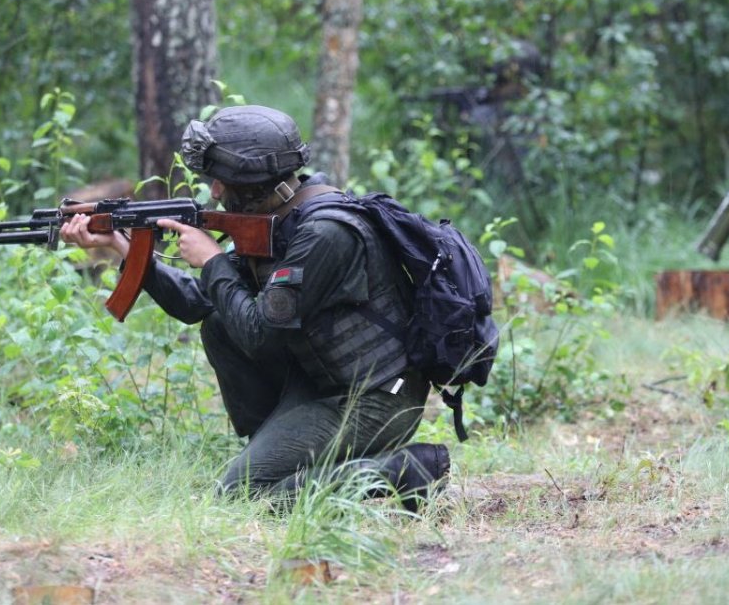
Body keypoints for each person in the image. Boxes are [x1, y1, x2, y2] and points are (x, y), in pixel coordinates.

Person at [59, 105, 450, 511]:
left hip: (375, 399)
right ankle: (275, 451)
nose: (212, 191)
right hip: (321, 384)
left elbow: (259, 335)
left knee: (240, 496)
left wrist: (213, 260)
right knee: (218, 322)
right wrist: (122, 247)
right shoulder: (280, 218)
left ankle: (402, 470)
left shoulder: (325, 233)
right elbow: (202, 304)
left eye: (220, 180)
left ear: (249, 183)